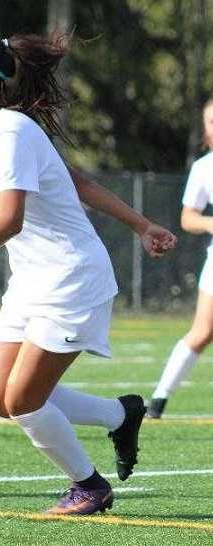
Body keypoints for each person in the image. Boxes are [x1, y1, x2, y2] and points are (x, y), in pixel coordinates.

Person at [0, 29, 177, 515]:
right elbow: (75, 181)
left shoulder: (9, 131)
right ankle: (121, 414)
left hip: (70, 279)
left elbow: (10, 221)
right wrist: (140, 224)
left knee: (24, 400)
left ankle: (90, 487)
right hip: (31, 283)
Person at [147, 99, 213, 419]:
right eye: (211, 122)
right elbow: (188, 218)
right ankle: (158, 399)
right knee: (202, 332)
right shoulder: (204, 168)